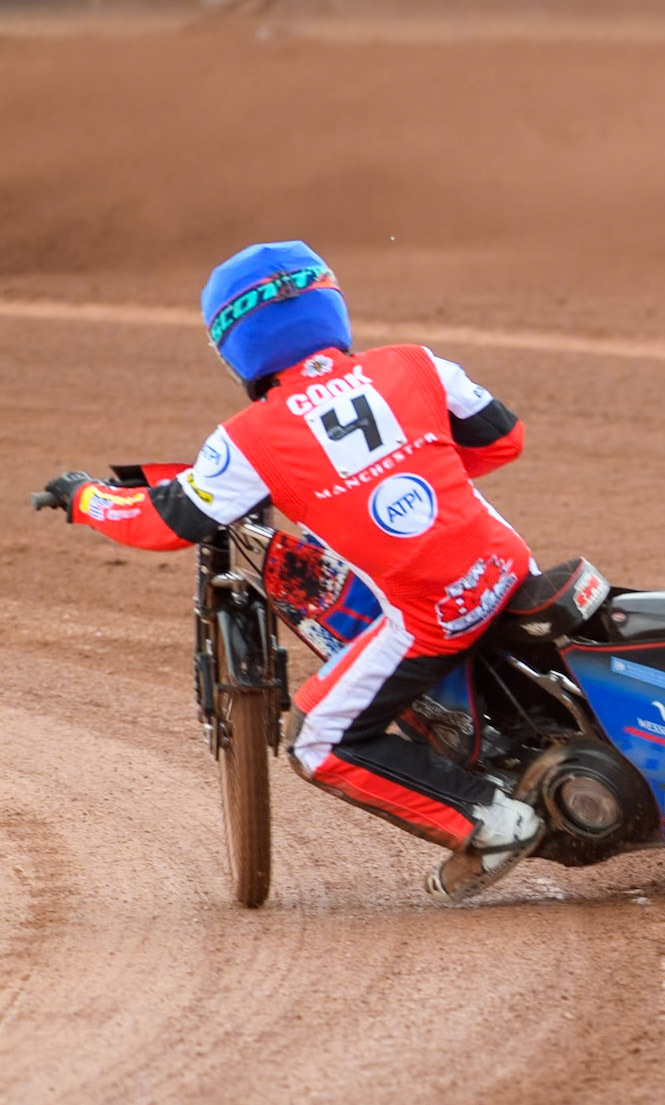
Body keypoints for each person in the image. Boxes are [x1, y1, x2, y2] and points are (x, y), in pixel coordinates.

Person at [40, 241, 543, 901]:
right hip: (510, 566)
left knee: (318, 740)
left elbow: (167, 523)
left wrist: (83, 497)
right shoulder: (416, 362)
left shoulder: (249, 438)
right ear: (330, 304)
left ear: (235, 345)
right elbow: (503, 440)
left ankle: (491, 821)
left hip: (433, 615)